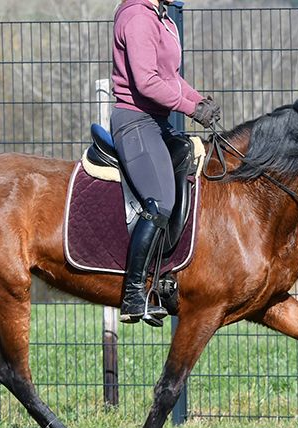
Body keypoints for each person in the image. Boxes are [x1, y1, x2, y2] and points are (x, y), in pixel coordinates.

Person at [111, 0, 220, 325]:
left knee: (190, 160)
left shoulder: (163, 19)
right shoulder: (138, 17)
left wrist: (199, 100)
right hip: (135, 121)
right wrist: (190, 109)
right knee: (160, 202)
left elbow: (170, 77)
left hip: (158, 122)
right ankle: (133, 293)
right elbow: (146, 82)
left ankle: (166, 273)